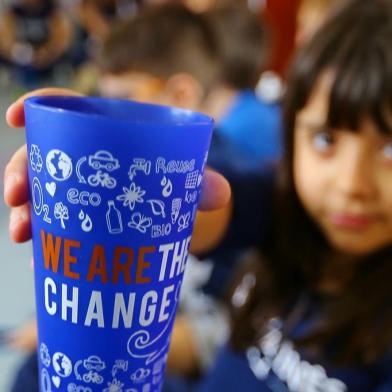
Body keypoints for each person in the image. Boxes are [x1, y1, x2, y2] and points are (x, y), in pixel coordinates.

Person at [5, 0, 392, 390]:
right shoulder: (283, 205)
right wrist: (106, 165)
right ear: (292, 133)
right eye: (325, 139)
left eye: (390, 150)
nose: (351, 184)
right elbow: (206, 209)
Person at [0, 0, 73, 87]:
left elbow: (61, 38)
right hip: (21, 57)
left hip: (47, 59)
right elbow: (5, 39)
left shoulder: (51, 9)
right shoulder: (15, 10)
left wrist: (47, 53)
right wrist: (16, 51)